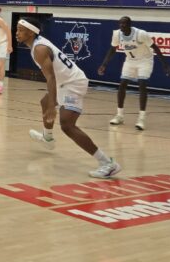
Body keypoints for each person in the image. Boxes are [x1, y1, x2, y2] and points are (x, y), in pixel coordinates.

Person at [16, 17, 121, 178]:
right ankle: (48, 138)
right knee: (44, 101)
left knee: (67, 125)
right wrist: (49, 103)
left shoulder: (39, 49)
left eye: (20, 30)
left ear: (30, 32)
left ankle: (107, 163)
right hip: (64, 81)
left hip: (73, 83)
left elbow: (50, 78)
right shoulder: (37, 45)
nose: (17, 33)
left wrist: (53, 106)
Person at [97, 15, 170, 131]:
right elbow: (112, 49)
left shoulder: (141, 34)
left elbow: (155, 48)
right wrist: (104, 64)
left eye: (124, 24)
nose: (121, 26)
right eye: (120, 24)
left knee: (142, 83)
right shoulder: (117, 34)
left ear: (129, 24)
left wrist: (166, 65)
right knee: (122, 84)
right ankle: (119, 115)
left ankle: (141, 118)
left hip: (145, 60)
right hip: (130, 60)